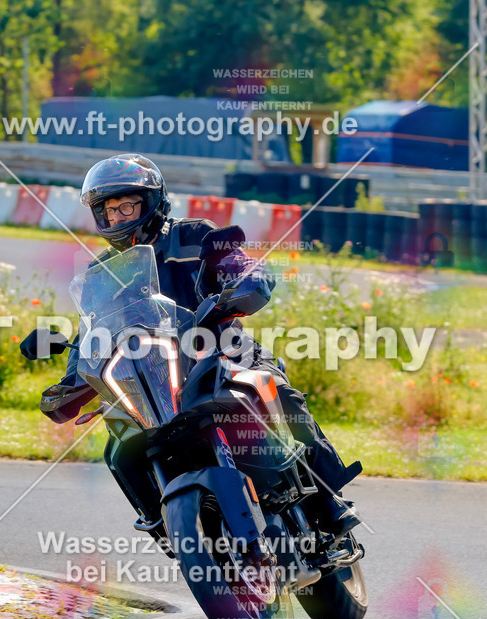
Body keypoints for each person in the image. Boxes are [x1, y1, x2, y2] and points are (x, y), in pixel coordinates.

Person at [38, 153, 360, 537]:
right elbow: (94, 332)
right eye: (109, 210)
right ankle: (162, 522)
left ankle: (328, 499)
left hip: (220, 347)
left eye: (128, 205)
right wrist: (72, 376)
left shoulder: (192, 235)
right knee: (119, 443)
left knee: (277, 392)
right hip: (152, 379)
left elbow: (237, 264)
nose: (119, 217)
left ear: (153, 202)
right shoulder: (100, 274)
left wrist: (245, 281)